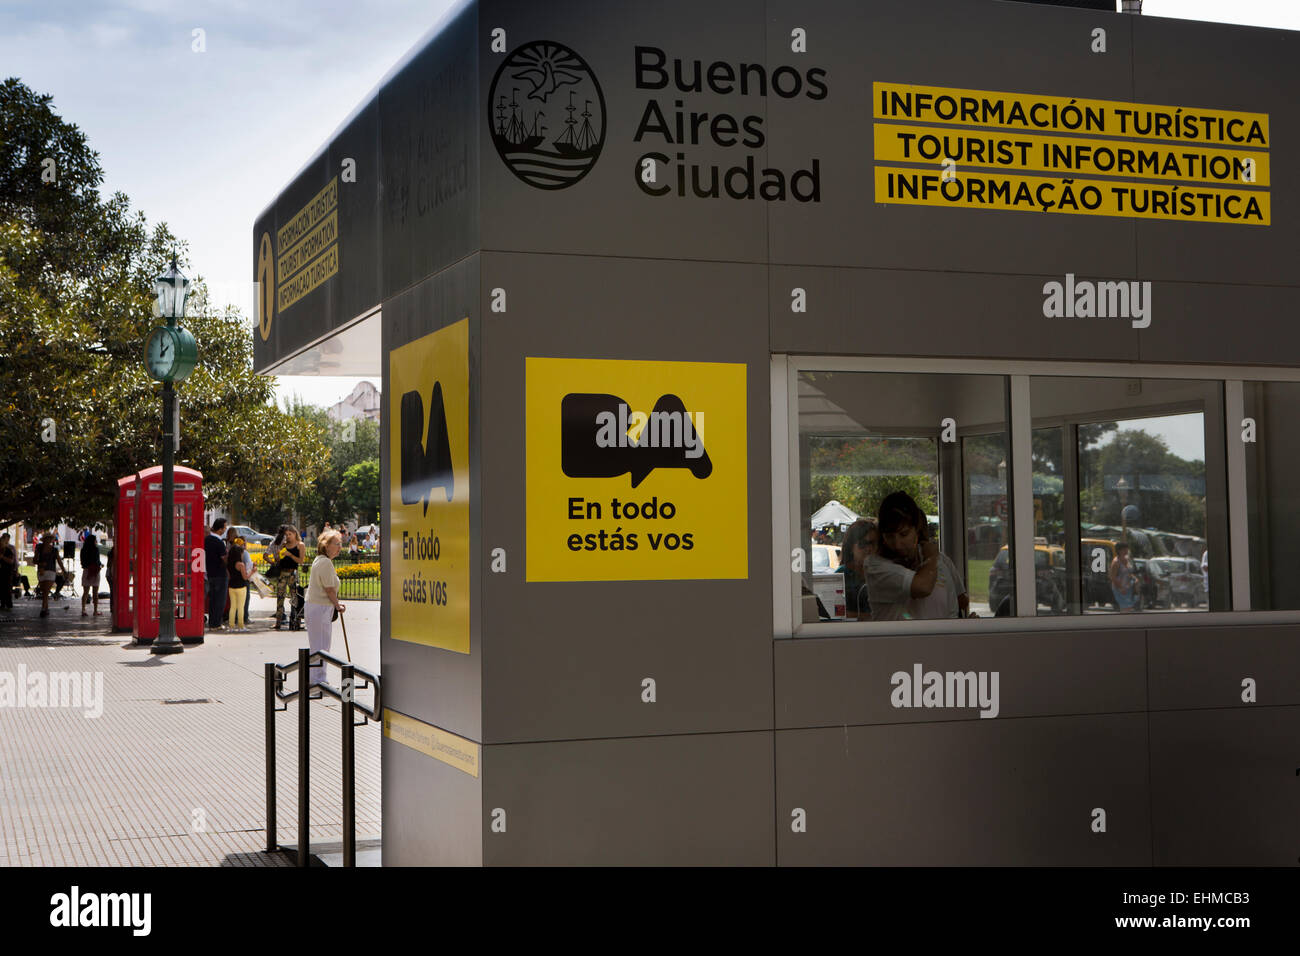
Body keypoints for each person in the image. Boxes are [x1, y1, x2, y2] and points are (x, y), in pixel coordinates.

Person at [866, 491, 971, 622]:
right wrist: (931, 557)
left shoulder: (941, 563)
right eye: (889, 536)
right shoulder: (875, 566)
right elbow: (923, 587)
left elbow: (953, 611)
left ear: (917, 529)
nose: (897, 544)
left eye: (904, 534)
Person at [304, 530, 346, 689]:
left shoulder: (320, 560)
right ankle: (317, 681)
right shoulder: (325, 563)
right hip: (320, 608)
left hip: (317, 607)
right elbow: (329, 589)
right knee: (321, 645)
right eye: (337, 544)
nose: (340, 547)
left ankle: (318, 678)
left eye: (340, 544)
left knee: (319, 644)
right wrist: (338, 605)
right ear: (326, 545)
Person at [833, 519, 878, 621]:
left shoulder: (880, 572)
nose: (869, 548)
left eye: (874, 543)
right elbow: (835, 613)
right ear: (851, 547)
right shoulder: (842, 575)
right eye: (863, 544)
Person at [271, 525, 307, 630]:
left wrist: (290, 554)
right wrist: (278, 556)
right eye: (286, 535)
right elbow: (278, 559)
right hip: (283, 573)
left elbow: (301, 561)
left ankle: (295, 620)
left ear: (295, 534)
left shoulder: (300, 545)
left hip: (293, 573)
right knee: (280, 597)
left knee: (294, 597)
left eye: (290, 534)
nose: (288, 537)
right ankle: (278, 621)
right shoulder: (284, 545)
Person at [205, 518, 229, 630]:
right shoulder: (219, 542)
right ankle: (216, 624)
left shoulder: (207, 539)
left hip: (209, 573)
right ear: (220, 529)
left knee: (212, 600)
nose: (225, 529)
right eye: (224, 527)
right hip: (220, 574)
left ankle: (211, 623)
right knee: (219, 600)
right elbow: (224, 559)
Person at [34, 532, 66, 618]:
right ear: (44, 539)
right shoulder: (39, 548)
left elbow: (59, 560)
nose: (48, 540)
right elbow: (34, 560)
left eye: (49, 538)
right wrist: (40, 563)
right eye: (46, 538)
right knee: (44, 591)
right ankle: (46, 608)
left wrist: (64, 571)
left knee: (46, 591)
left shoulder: (54, 550)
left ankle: (43, 609)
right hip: (41, 571)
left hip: (51, 571)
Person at [226, 537, 250, 631]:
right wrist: (252, 571)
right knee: (240, 607)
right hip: (241, 587)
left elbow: (228, 576)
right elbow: (245, 577)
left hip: (231, 587)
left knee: (233, 607)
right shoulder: (241, 565)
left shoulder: (229, 564)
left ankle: (231, 626)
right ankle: (241, 626)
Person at [1109, 542, 1139, 612]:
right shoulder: (1116, 562)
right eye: (1124, 549)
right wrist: (1121, 588)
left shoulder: (1127, 559)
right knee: (1125, 608)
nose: (1126, 551)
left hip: (1129, 587)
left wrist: (1135, 579)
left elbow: (1128, 573)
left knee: (1129, 608)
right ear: (1119, 550)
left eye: (1127, 549)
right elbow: (1112, 577)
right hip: (1120, 588)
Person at [80, 532, 103, 617]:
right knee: (95, 593)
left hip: (86, 571)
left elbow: (82, 562)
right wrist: (100, 565)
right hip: (95, 572)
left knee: (85, 592)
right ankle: (95, 611)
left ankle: (83, 610)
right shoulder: (96, 549)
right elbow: (97, 561)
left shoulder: (83, 550)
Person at [0, 532, 16, 610]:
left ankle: (9, 604)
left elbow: (12, 561)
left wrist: (2, 557)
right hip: (1, 571)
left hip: (7, 571)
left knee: (7, 588)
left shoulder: (9, 550)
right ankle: (2, 604)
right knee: (1, 588)